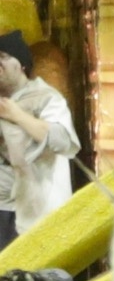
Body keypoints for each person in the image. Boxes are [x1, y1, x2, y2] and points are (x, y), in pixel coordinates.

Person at [0, 33, 79, 246]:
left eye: (4, 56)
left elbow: (62, 141)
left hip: (38, 217)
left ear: (22, 64)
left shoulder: (47, 98)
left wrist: (17, 115)